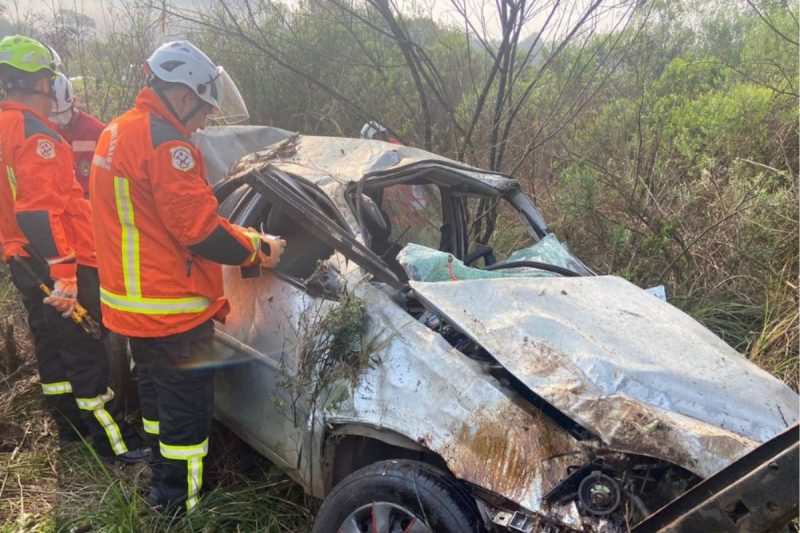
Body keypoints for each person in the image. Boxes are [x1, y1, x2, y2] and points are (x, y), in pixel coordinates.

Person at [89, 40, 285, 513]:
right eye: (203, 111)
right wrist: (259, 249)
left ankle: (161, 481)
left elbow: (155, 221)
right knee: (188, 420)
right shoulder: (167, 145)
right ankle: (182, 509)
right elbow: (198, 231)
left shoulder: (117, 131)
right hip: (172, 310)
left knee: (158, 405)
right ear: (182, 97)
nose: (203, 123)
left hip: (133, 306)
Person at [0, 34, 148, 462]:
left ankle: (68, 427)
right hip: (62, 263)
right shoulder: (36, 134)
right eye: (48, 80)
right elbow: (39, 211)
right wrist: (64, 275)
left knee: (51, 346)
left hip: (24, 261)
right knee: (86, 353)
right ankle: (116, 442)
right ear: (40, 83)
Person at [50, 73, 105, 198]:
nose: (58, 120)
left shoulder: (96, 131)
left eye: (62, 114)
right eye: (53, 115)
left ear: (74, 102)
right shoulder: (46, 130)